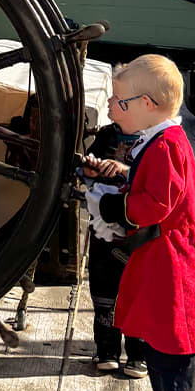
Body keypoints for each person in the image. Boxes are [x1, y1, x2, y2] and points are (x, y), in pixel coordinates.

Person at [85, 55, 195, 391]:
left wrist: (111, 205)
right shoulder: (161, 140)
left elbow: (156, 204)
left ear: (146, 104)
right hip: (164, 258)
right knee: (160, 347)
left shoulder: (166, 146)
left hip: (173, 265)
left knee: (171, 355)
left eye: (120, 101)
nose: (113, 106)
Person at [80, 122, 146, 377]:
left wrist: (124, 169)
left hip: (138, 228)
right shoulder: (107, 134)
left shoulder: (156, 139)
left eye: (117, 101)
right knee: (103, 287)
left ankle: (138, 352)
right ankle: (107, 349)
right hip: (104, 222)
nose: (109, 104)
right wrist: (89, 171)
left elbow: (156, 179)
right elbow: (85, 170)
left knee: (139, 290)